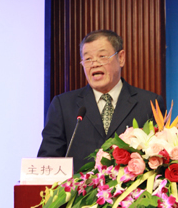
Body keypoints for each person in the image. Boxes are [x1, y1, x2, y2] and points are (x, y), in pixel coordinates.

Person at [38, 30, 166, 172]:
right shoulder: (63, 105)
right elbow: (47, 162)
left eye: (102, 56)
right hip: (79, 186)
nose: (94, 64)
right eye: (88, 59)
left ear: (121, 58)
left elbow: (160, 159)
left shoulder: (149, 103)